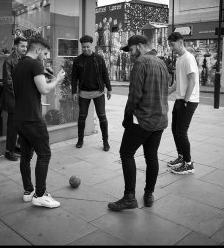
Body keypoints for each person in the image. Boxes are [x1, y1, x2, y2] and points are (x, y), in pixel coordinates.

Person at [108, 35, 170, 211]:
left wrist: (127, 116)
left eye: (132, 49)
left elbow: (134, 94)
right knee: (152, 156)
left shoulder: (141, 62)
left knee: (126, 153)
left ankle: (129, 198)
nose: (131, 54)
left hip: (143, 119)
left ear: (141, 46)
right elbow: (166, 90)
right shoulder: (161, 63)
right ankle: (149, 194)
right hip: (160, 119)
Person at [12, 37, 65, 208]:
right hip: (33, 119)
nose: (46, 57)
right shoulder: (35, 64)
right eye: (45, 53)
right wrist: (57, 80)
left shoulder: (18, 63)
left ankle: (28, 191)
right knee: (45, 154)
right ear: (37, 50)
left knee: (26, 156)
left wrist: (36, 102)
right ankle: (40, 194)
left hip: (20, 117)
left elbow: (25, 91)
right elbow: (44, 89)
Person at [71, 35, 112, 151]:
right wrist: (74, 91)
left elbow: (105, 74)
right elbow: (74, 78)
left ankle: (105, 141)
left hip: (98, 92)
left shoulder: (99, 58)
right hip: (84, 93)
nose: (85, 49)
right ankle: (80, 140)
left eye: (87, 47)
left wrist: (109, 88)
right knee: (81, 117)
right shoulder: (77, 60)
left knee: (102, 117)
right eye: (83, 47)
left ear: (92, 46)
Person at [166, 32, 199, 174]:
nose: (171, 48)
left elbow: (192, 80)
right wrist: (166, 92)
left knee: (181, 132)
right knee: (175, 130)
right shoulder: (179, 59)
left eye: (172, 45)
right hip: (180, 99)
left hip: (188, 101)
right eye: (170, 45)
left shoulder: (188, 58)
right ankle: (181, 157)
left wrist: (185, 99)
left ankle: (188, 164)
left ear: (180, 42)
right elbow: (177, 82)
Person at [1, 36, 28, 161]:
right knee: (12, 126)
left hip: (22, 98)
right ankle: (8, 151)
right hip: (13, 99)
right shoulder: (9, 61)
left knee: (20, 125)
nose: (25, 48)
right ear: (15, 46)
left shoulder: (23, 59)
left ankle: (16, 147)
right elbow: (8, 83)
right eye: (22, 46)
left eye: (26, 46)